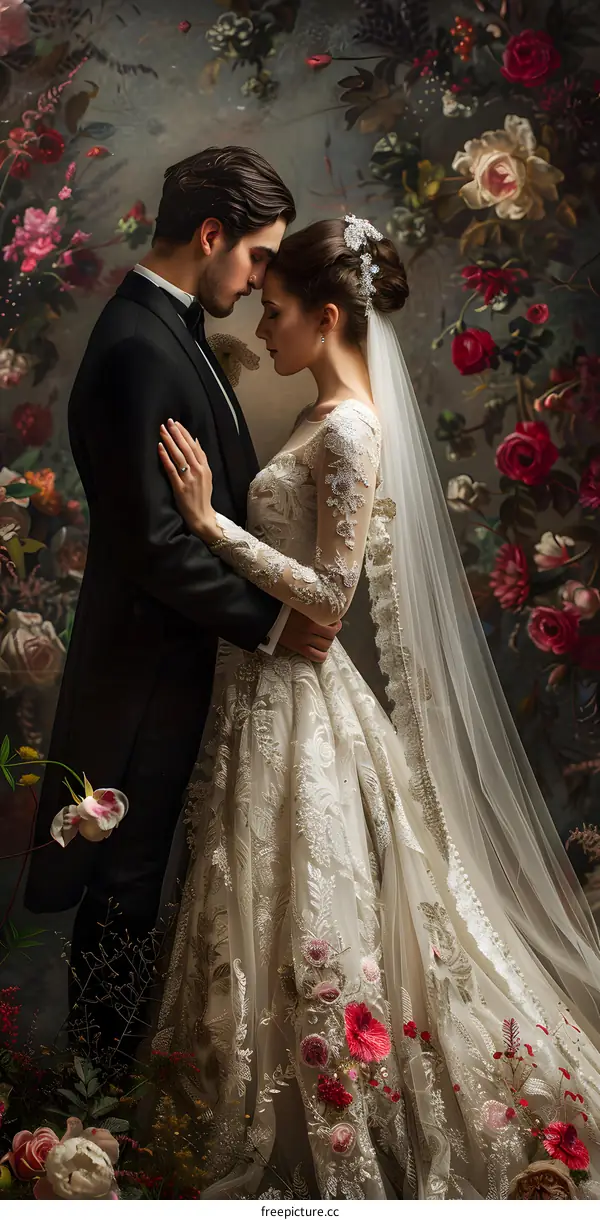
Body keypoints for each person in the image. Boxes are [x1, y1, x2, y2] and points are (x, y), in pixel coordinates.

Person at [154, 216, 600, 1200]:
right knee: (250, 898)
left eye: (276, 313)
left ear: (327, 316)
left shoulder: (351, 425)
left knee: (305, 900)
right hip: (263, 688)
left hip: (298, 697)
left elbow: (331, 594)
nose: (262, 329)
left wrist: (209, 524)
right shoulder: (319, 413)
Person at [24, 148, 341, 1053]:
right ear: (211, 234)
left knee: (140, 883)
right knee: (124, 887)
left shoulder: (171, 332)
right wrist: (275, 622)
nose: (260, 280)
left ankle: (108, 1093)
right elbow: (154, 544)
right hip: (145, 678)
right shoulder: (138, 345)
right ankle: (98, 1098)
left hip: (178, 666)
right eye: (256, 256)